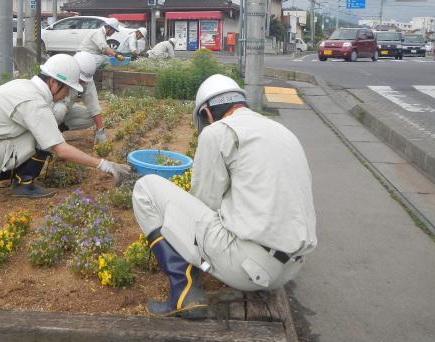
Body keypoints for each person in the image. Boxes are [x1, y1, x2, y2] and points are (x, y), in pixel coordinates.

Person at [132, 74, 317, 318]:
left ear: (207, 114)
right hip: (291, 267)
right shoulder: (282, 131)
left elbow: (203, 203)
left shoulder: (217, 132)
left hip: (249, 269)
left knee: (146, 187)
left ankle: (183, 293)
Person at [0, 54, 130, 199]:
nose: (69, 94)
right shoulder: (34, 101)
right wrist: (105, 165)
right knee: (48, 137)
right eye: (67, 89)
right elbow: (61, 149)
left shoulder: (24, 86)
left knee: (43, 132)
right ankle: (24, 183)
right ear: (53, 83)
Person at [53, 51, 107, 144]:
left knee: (91, 117)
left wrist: (100, 131)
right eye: (81, 79)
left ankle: (60, 128)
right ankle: (50, 135)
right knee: (59, 110)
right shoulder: (58, 73)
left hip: (66, 110)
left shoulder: (86, 78)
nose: (82, 82)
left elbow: (93, 104)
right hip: (50, 111)